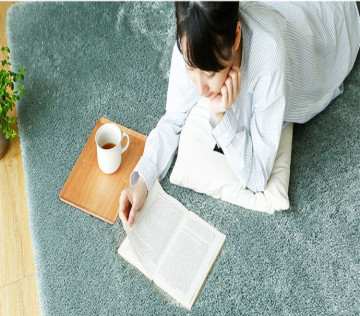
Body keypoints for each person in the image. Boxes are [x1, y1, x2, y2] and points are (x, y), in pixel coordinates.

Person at [119, 1, 360, 226]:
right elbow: (173, 119)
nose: (200, 88)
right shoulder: (189, 39)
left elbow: (256, 178)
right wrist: (142, 182)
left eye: (211, 73)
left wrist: (223, 117)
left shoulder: (268, 54)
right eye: (191, 67)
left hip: (318, 28)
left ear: (235, 36)